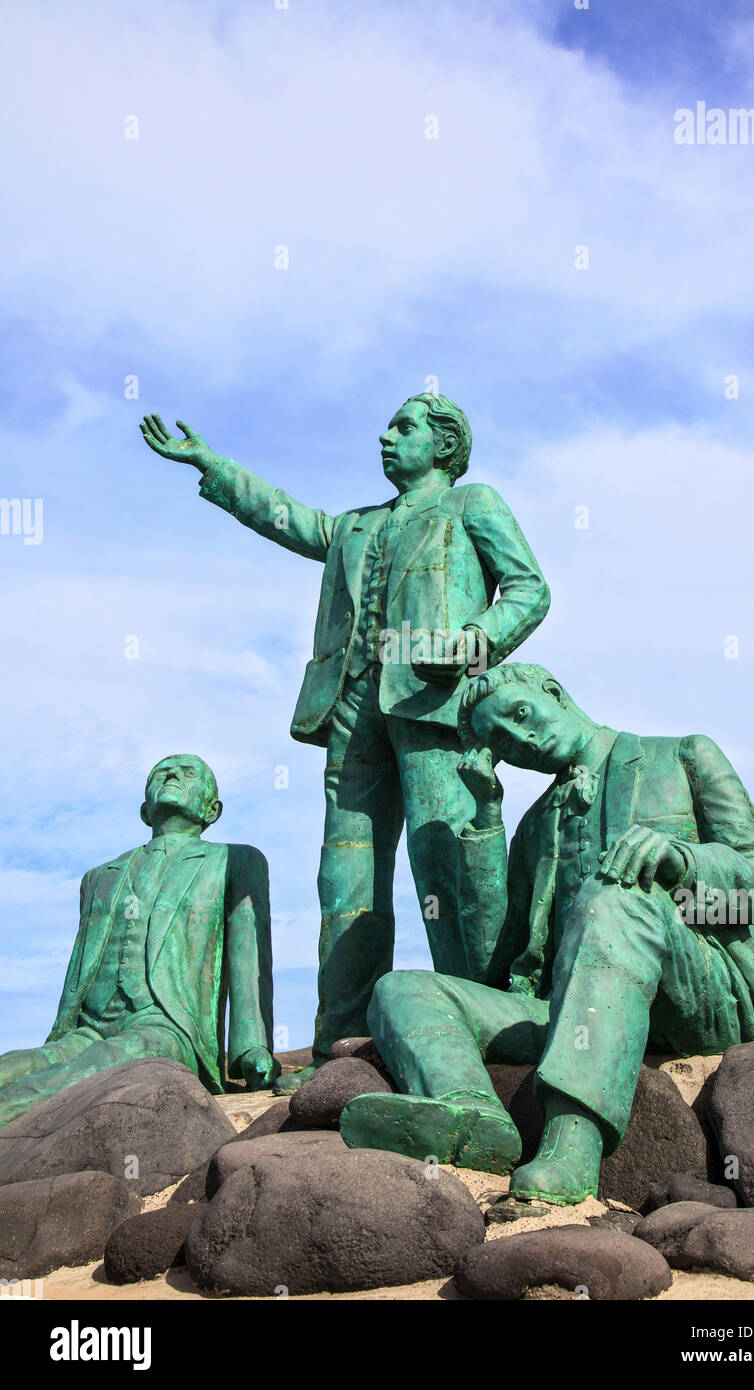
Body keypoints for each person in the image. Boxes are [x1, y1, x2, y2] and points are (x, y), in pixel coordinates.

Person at [139, 397, 550, 1084]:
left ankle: (487, 1021)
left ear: (445, 445)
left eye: (405, 427)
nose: (386, 437)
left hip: (431, 702)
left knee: (443, 863)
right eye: (388, 426)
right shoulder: (355, 527)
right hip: (353, 710)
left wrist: (475, 642)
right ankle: (342, 1046)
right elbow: (288, 518)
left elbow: (529, 590)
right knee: (345, 883)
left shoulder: (473, 503)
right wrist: (212, 465)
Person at [340, 663, 754, 1204]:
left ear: (553, 691)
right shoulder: (535, 827)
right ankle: (473, 1114)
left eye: (521, 714)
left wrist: (682, 860)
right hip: (573, 1013)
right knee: (403, 988)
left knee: (612, 896)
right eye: (504, 742)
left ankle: (572, 1146)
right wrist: (487, 818)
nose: (522, 739)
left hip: (703, 995)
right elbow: (495, 970)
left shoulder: (682, 755)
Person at [0, 755, 278, 1127]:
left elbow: (248, 955)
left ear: (212, 810)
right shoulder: (100, 877)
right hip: (92, 1025)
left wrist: (252, 1048)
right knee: (18, 1063)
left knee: (98, 1065)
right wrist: (59, 1036)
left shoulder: (234, 860)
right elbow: (78, 968)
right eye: (161, 772)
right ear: (145, 811)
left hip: (168, 1027)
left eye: (188, 772)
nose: (173, 774)